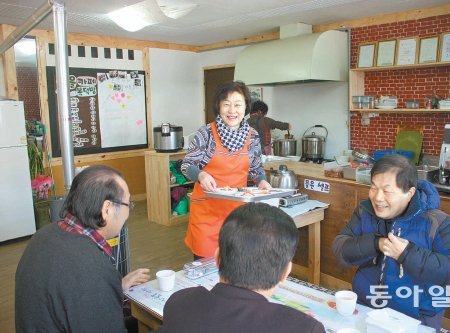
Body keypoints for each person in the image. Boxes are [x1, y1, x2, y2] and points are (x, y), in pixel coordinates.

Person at [332, 154, 450, 331]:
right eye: (373, 187)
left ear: (409, 193)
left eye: (387, 191)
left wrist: (407, 254)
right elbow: (340, 249)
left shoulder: (436, 222)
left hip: (417, 317)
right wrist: (376, 244)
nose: (378, 198)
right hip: (367, 308)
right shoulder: (365, 211)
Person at [16, 165, 150, 332]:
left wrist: (115, 286)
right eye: (128, 204)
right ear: (106, 209)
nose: (128, 211)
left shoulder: (43, 235)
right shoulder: (92, 270)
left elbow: (67, 292)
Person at [158, 203, 325, 333]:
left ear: (217, 258)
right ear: (285, 272)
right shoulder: (304, 328)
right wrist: (295, 321)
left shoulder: (178, 303)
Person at [181, 81, 271, 259]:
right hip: (206, 213)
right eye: (226, 104)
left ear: (245, 107)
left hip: (237, 214)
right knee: (206, 265)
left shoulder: (252, 135)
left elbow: (256, 167)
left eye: (238, 104)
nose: (232, 110)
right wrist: (200, 174)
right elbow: (186, 165)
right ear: (219, 106)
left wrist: (262, 180)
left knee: (234, 264)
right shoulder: (206, 133)